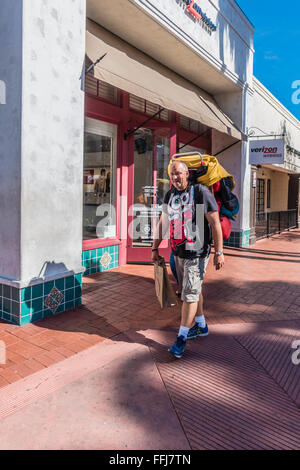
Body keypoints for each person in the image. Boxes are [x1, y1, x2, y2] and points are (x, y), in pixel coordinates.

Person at [151, 160, 224, 359]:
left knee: (189, 294)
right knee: (191, 290)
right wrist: (154, 247)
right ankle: (201, 326)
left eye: (179, 173)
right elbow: (162, 223)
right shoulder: (170, 195)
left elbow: (215, 223)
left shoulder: (200, 192)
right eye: (172, 174)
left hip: (198, 253)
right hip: (178, 253)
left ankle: (181, 338)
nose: (175, 177)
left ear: (186, 173)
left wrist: (219, 252)